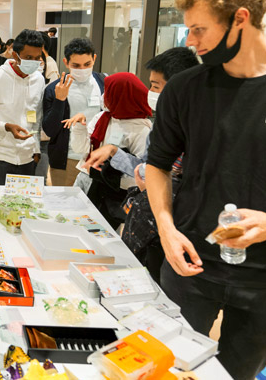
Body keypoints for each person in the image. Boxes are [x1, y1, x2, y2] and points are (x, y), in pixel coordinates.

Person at [146, 0, 266, 380]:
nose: (190, 41)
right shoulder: (185, 88)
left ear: (240, 18)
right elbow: (158, 164)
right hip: (189, 264)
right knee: (162, 367)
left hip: (263, 283)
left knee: (237, 374)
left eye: (199, 29)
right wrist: (166, 228)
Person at [83, 47, 199, 282]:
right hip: (153, 224)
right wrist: (114, 152)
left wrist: (157, 185)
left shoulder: (200, 128)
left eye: (155, 86)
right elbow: (147, 165)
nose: (150, 92)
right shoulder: (163, 125)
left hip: (179, 229)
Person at [68, 72, 152, 228]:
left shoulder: (142, 130)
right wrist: (79, 127)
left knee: (102, 236)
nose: (104, 95)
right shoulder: (103, 117)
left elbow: (141, 170)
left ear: (121, 95)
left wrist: (112, 164)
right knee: (74, 225)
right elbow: (82, 149)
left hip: (116, 194)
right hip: (87, 179)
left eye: (108, 91)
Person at [0, 29, 45, 185]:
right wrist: (6, 126)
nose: (33, 62)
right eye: (28, 57)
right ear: (15, 55)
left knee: (24, 207)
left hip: (27, 157)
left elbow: (36, 116)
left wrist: (36, 149)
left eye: (37, 58)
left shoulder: (39, 79)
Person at [42, 38, 105, 187]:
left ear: (94, 59)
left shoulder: (103, 82)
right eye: (76, 65)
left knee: (93, 208)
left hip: (96, 160)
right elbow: (50, 130)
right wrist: (60, 100)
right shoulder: (53, 89)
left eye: (87, 64)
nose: (82, 69)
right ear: (66, 62)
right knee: (64, 206)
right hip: (67, 160)